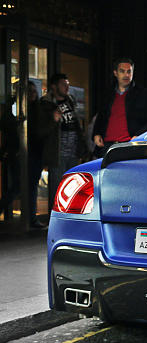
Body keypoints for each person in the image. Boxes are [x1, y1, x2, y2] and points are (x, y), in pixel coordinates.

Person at [37, 73, 87, 213]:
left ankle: (71, 217)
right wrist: (53, 119)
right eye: (63, 84)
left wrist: (82, 148)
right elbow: (41, 131)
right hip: (57, 153)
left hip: (73, 153)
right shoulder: (46, 104)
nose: (67, 87)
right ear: (54, 87)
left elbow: (77, 126)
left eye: (68, 84)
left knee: (74, 188)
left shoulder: (71, 101)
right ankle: (55, 219)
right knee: (57, 188)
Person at [93, 58, 147, 157]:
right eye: (122, 71)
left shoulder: (143, 94)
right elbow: (101, 116)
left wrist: (138, 136)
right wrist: (96, 133)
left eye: (129, 71)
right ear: (115, 73)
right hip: (107, 146)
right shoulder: (108, 93)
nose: (126, 75)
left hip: (129, 145)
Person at [27, 81, 46, 228]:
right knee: (18, 187)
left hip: (35, 152)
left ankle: (31, 218)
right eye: (29, 91)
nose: (33, 94)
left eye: (34, 91)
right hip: (24, 152)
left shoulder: (37, 109)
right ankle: (31, 218)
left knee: (32, 186)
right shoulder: (19, 109)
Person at [0, 98, 19, 219]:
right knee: (16, 186)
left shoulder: (7, 118)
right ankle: (4, 208)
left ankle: (5, 210)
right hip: (13, 154)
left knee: (13, 185)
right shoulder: (9, 119)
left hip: (10, 154)